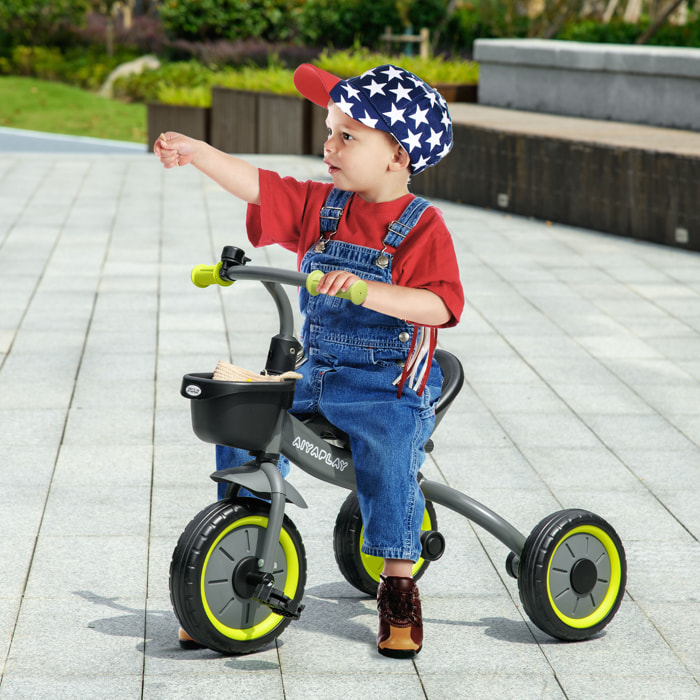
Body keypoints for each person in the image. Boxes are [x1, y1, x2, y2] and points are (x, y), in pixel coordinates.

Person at [155, 62, 464, 659]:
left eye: (348, 136)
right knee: (247, 411)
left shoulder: (422, 226)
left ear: (397, 155)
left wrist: (366, 289)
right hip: (321, 375)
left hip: (387, 386)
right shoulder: (324, 207)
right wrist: (199, 151)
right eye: (330, 130)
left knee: (390, 451)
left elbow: (438, 304)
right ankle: (235, 541)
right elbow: (261, 185)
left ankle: (399, 584)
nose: (330, 146)